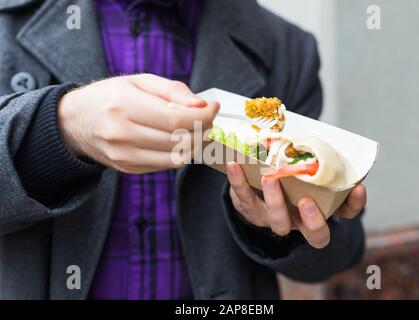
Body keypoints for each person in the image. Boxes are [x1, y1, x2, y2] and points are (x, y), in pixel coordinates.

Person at [0, 0, 366, 299]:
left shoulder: (286, 48)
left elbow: (338, 254)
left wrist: (271, 227)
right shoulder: (9, 21)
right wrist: (62, 130)